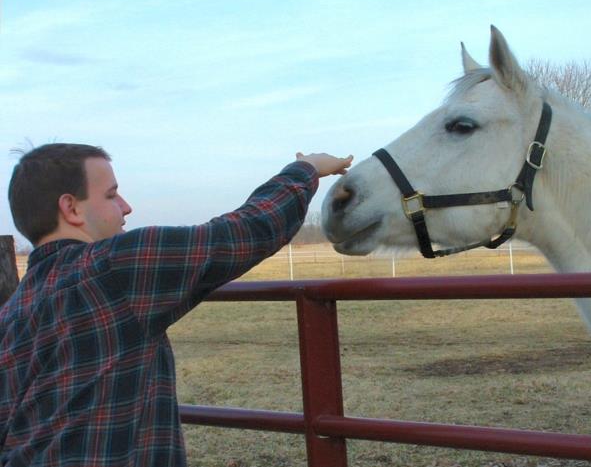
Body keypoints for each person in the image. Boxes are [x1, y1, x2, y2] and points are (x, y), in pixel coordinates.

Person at [0, 143, 352, 466]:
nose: (126, 206)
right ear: (71, 208)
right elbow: (248, 230)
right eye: (111, 195)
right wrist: (306, 170)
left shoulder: (13, 311)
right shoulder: (113, 268)